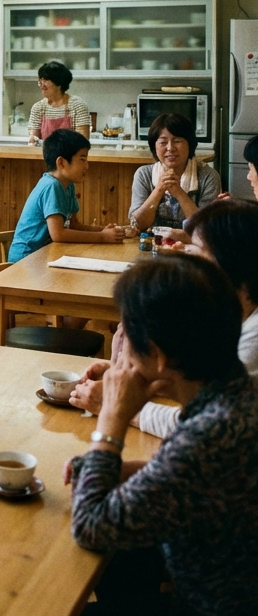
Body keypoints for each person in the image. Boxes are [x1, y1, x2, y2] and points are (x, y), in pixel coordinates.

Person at [66, 254, 258, 616]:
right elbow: (201, 482)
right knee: (124, 560)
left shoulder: (210, 433)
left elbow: (91, 526)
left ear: (157, 356)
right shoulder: (238, 392)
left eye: (125, 336)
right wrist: (135, 471)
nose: (121, 350)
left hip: (205, 607)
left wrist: (111, 420)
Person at [70, 198, 258, 438]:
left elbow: (199, 428)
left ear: (230, 263)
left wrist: (114, 406)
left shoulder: (253, 339)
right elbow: (204, 388)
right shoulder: (237, 318)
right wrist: (141, 377)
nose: (183, 257)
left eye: (194, 251)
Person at [7, 129, 125, 263]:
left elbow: (74, 225)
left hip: (44, 256)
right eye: (82, 159)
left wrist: (103, 231)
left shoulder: (67, 186)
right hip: (25, 260)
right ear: (61, 163)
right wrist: (102, 237)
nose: (87, 166)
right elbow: (58, 234)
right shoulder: (51, 186)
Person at [129, 113, 221, 232]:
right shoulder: (143, 175)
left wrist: (179, 192)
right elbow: (137, 225)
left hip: (192, 246)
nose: (170, 148)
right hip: (152, 245)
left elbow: (206, 228)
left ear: (190, 144)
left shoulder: (208, 177)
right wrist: (159, 189)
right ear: (154, 147)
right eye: (163, 142)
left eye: (177, 141)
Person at [27, 60, 91, 145]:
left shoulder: (77, 106)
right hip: (45, 157)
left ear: (59, 83)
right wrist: (32, 140)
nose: (41, 84)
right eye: (40, 80)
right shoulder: (38, 108)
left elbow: (83, 143)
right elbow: (33, 141)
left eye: (45, 80)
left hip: (70, 157)